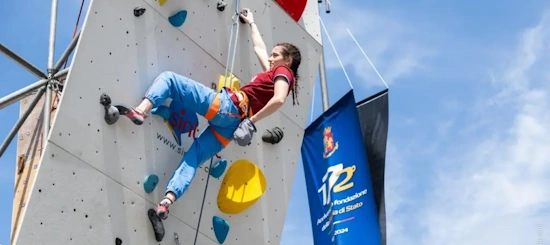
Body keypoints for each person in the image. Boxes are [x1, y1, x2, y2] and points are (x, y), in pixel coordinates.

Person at [120, 8, 302, 220]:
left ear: (287, 61)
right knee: (194, 156)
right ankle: (167, 201)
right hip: (230, 129)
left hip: (229, 108)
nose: (270, 59)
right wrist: (252, 23)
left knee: (169, 80)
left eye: (276, 56)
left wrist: (251, 122)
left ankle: (141, 111)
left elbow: (278, 99)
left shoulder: (283, 73)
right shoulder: (275, 72)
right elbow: (259, 48)